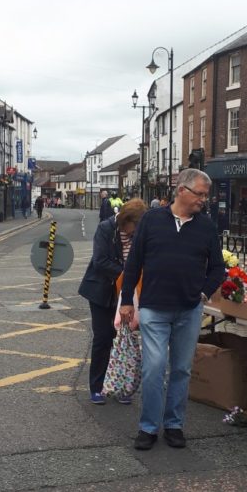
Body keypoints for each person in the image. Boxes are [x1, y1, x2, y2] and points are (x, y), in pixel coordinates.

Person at [119, 168, 225, 450]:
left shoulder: (205, 226)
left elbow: (218, 268)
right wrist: (127, 299)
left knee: (181, 370)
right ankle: (148, 427)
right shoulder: (152, 220)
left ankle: (174, 425)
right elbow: (134, 262)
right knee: (154, 368)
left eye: (206, 195)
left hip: (189, 310)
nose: (204, 200)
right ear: (182, 191)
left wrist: (202, 293)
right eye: (200, 194)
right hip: (154, 307)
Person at [79, 199, 147, 404]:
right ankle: (97, 387)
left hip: (127, 293)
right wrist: (129, 274)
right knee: (103, 337)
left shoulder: (140, 231)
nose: (135, 233)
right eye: (133, 228)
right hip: (102, 291)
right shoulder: (106, 228)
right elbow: (100, 261)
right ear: (124, 222)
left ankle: (120, 386)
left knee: (124, 339)